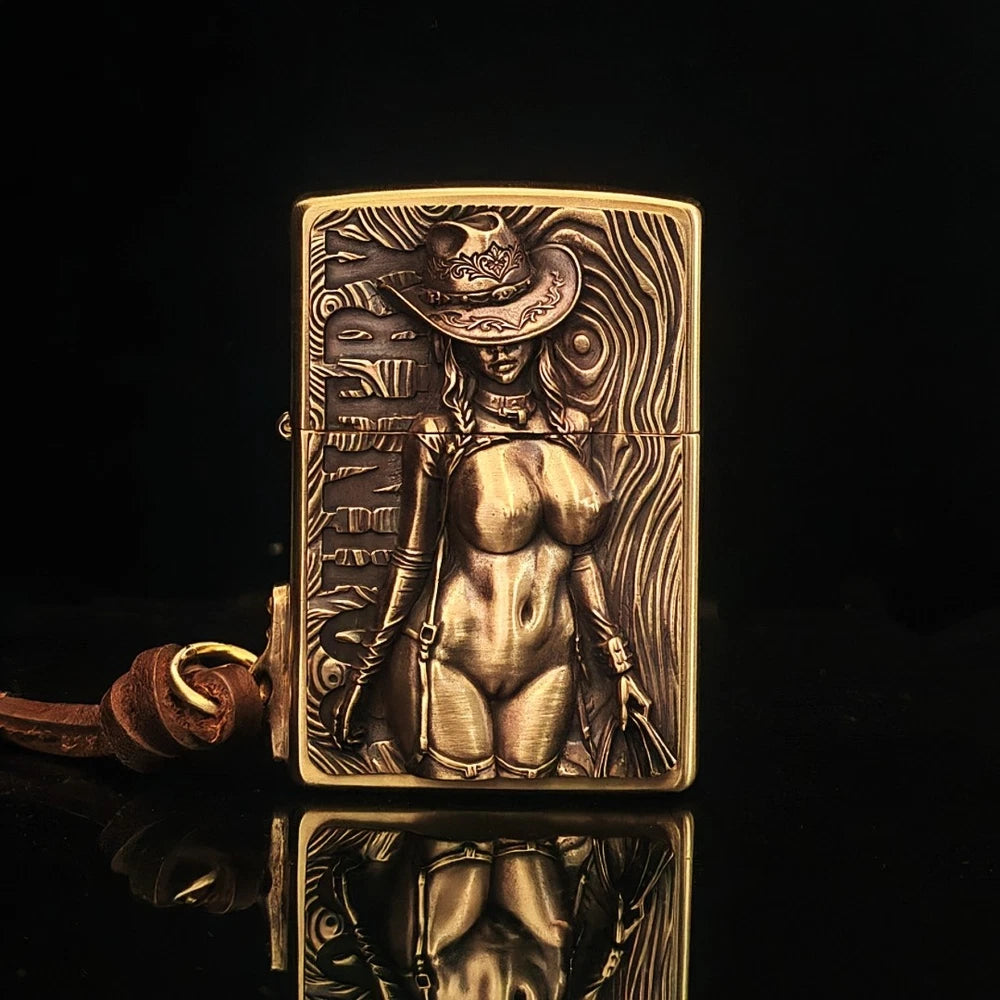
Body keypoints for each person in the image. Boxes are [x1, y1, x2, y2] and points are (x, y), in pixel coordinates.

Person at [329, 211, 654, 779]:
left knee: (531, 826)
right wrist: (363, 676)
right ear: (455, 343)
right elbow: (411, 561)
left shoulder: (572, 427)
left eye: (511, 330)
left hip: (550, 664)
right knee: (457, 828)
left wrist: (620, 666)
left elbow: (581, 560)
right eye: (479, 335)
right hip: (449, 658)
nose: (500, 349)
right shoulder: (440, 434)